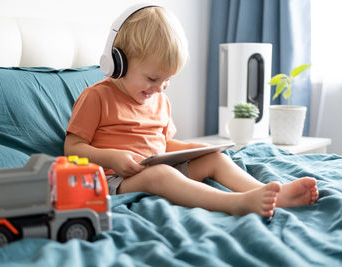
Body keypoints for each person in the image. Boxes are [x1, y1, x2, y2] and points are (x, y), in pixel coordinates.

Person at [64, 5, 318, 218]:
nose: (160, 87)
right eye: (152, 77)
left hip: (152, 170)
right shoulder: (97, 96)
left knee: (216, 159)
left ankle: (272, 192)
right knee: (160, 174)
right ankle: (236, 203)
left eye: (167, 80)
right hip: (112, 180)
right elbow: (72, 147)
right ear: (119, 61)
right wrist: (112, 158)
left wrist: (193, 150)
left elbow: (163, 145)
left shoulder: (160, 100)